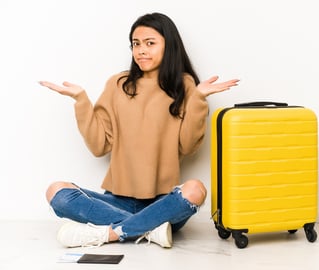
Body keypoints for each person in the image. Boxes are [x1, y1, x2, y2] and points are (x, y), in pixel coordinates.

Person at [39, 12, 239, 248]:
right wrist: (81, 100)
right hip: (115, 202)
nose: (141, 50)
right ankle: (149, 230)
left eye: (150, 43)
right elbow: (99, 146)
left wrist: (198, 98)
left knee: (195, 189)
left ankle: (109, 234)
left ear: (169, 45)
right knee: (57, 191)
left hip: (163, 204)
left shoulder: (184, 85)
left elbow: (188, 145)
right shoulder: (118, 84)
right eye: (136, 44)